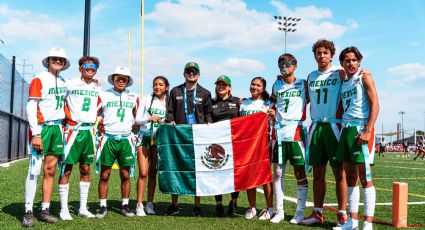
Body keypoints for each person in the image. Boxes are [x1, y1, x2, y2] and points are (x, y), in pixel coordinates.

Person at [301, 39, 348, 227]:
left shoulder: (340, 72)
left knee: (340, 173)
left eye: (325, 53)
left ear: (331, 55)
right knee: (318, 173)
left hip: (334, 127)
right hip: (316, 128)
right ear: (314, 56)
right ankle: (317, 212)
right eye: (318, 53)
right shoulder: (311, 76)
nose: (322, 56)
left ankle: (342, 214)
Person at [22, 47, 69, 227]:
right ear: (48, 60)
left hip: (57, 128)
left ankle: (44, 209)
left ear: (64, 64)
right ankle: (28, 211)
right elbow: (31, 106)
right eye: (54, 58)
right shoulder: (39, 79)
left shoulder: (64, 81)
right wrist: (36, 133)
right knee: (34, 171)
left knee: (50, 170)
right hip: (42, 129)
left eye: (61, 59)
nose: (58, 61)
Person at [335, 46, 379, 230]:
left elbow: (375, 104)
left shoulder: (365, 77)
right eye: (347, 60)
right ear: (342, 63)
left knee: (365, 177)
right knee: (350, 177)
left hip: (361, 128)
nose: (350, 63)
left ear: (359, 61)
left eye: (354, 60)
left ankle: (368, 222)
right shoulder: (344, 80)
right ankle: (352, 221)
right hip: (346, 129)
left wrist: (368, 130)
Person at [165, 61, 213, 216]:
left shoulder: (205, 93)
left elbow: (208, 113)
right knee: (176, 169)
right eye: (188, 71)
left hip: (198, 138)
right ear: (184, 73)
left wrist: (209, 122)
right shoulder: (175, 91)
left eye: (194, 71)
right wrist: (170, 120)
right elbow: (169, 111)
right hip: (179, 136)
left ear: (198, 74)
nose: (191, 73)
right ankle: (174, 204)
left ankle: (197, 206)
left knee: (197, 171)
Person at [57, 56, 101, 220]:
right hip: (72, 131)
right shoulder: (69, 83)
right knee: (66, 169)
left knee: (85, 169)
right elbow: (59, 101)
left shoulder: (97, 87)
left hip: (89, 131)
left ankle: (83, 207)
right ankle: (63, 209)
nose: (90, 68)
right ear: (80, 68)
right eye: (87, 65)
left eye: (93, 66)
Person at [95, 66, 139, 218]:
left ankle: (125, 205)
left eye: (124, 78)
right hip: (109, 138)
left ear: (128, 80)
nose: (121, 80)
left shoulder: (134, 96)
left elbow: (138, 117)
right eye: (118, 77)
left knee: (125, 174)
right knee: (105, 174)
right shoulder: (103, 95)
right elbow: (92, 112)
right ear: (113, 78)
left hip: (126, 139)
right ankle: (102, 206)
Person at [270, 53, 309, 224]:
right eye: (280, 64)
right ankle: (279, 211)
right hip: (279, 132)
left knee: (299, 172)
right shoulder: (276, 84)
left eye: (287, 63)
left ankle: (299, 212)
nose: (283, 67)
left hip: (296, 132)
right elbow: (272, 102)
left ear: (294, 66)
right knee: (278, 172)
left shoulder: (303, 84)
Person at [240, 76, 275, 220]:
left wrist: (273, 114)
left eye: (258, 85)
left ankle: (269, 207)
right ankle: (252, 207)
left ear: (263, 88)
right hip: (247, 145)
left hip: (263, 144)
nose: (255, 87)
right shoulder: (243, 104)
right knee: (249, 176)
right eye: (253, 84)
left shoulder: (268, 103)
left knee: (266, 176)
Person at [134, 76, 169, 216]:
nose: (157, 87)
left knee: (153, 173)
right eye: (155, 84)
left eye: (161, 84)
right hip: (144, 138)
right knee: (143, 173)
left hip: (159, 140)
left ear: (166, 87)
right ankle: (139, 204)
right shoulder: (146, 99)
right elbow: (136, 119)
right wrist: (149, 118)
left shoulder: (168, 101)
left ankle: (150, 203)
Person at [210, 75, 240, 217]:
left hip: (233, 142)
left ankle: (233, 203)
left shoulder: (237, 101)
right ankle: (218, 204)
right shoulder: (211, 102)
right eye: (218, 84)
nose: (220, 87)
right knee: (217, 173)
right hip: (217, 143)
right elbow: (208, 119)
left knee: (234, 173)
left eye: (224, 84)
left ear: (229, 87)